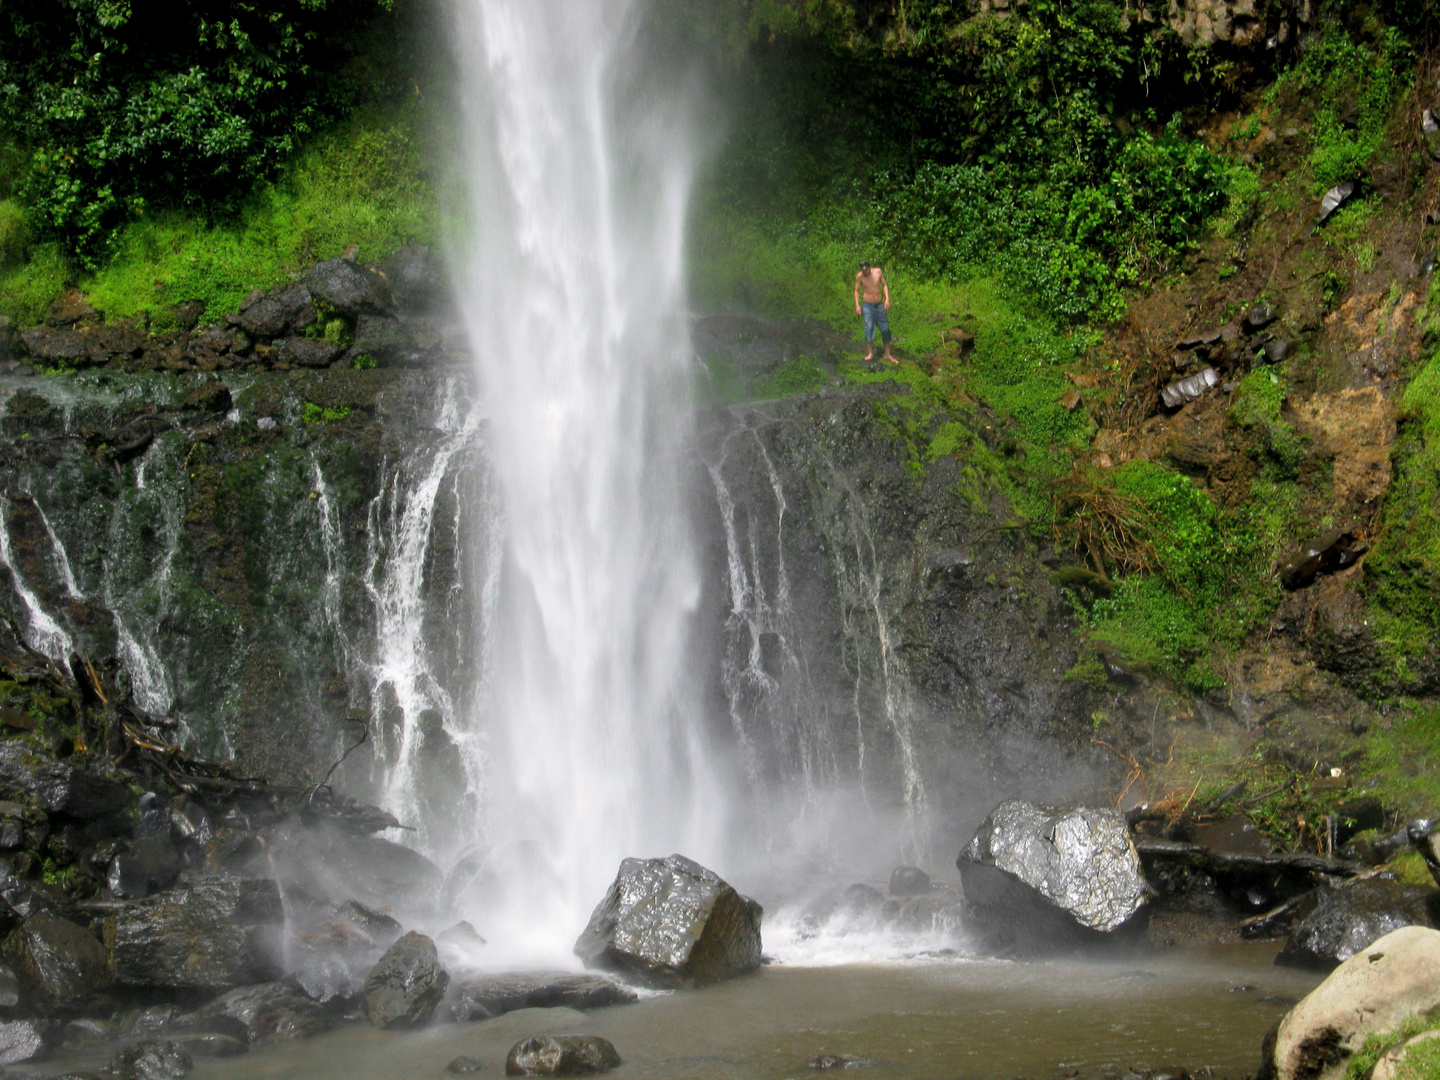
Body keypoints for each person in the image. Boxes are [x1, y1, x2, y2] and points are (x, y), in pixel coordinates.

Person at [853, 261, 896, 365]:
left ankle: (887, 354)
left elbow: (884, 285)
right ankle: (870, 353)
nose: (864, 271)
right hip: (868, 305)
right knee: (869, 328)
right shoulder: (859, 276)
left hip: (879, 305)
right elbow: (856, 291)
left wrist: (887, 299)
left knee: (885, 329)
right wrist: (857, 305)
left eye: (866, 269)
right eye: (862, 269)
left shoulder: (878, 272)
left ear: (869, 267)